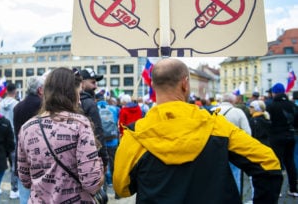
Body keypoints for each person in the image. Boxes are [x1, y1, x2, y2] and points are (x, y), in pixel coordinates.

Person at [113, 58, 283, 203]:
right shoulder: (216, 126)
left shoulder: (135, 135)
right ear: (185, 84)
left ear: (152, 85)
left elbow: (122, 188)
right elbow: (268, 163)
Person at [18, 67, 104, 203]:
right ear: (71, 94)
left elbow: (25, 179)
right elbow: (91, 183)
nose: (80, 100)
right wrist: (99, 165)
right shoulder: (81, 124)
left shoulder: (26, 128)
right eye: (78, 93)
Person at [13, 76, 44, 204]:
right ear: (40, 90)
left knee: (24, 198)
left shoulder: (18, 107)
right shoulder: (45, 106)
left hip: (22, 157)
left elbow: (16, 133)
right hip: (42, 159)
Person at [267, 82, 298, 197]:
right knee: (290, 162)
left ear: (274, 93)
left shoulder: (270, 106)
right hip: (290, 136)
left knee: (277, 163)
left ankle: (277, 190)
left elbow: (267, 122)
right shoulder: (293, 105)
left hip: (276, 137)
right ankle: (293, 189)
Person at [217, 93, 252, 194]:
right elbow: (247, 133)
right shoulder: (238, 112)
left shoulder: (213, 111)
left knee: (218, 176)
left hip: (216, 149)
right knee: (235, 175)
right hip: (234, 150)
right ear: (233, 101)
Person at [79, 68, 109, 174]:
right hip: (91, 158)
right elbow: (98, 132)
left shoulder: (71, 101)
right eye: (93, 82)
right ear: (82, 83)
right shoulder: (89, 103)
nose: (95, 86)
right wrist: (104, 160)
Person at [0, 83, 19, 199]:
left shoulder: (0, 104)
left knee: (0, 163)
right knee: (14, 165)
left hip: (1, 137)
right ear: (15, 91)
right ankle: (14, 189)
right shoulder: (17, 104)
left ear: (6, 91)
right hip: (13, 137)